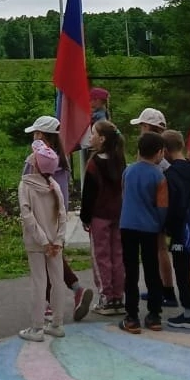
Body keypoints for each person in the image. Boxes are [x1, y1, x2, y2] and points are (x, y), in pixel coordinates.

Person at [24, 115, 92, 322]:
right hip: (55, 215)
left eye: (36, 133)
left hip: (38, 215)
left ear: (45, 137)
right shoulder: (62, 163)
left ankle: (49, 303)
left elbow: (27, 186)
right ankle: (76, 289)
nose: (34, 137)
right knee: (52, 257)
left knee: (42, 261)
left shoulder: (34, 160)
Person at [119, 130, 168, 334]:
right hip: (149, 227)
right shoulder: (159, 175)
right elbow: (162, 206)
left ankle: (131, 316)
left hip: (127, 225)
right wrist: (161, 226)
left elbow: (123, 195)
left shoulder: (128, 171)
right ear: (159, 152)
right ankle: (154, 314)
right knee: (151, 269)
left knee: (130, 271)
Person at [18, 140, 67, 341]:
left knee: (39, 283)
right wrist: (57, 241)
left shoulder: (26, 185)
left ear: (35, 163)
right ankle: (57, 323)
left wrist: (43, 241)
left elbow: (27, 215)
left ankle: (37, 328)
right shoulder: (54, 185)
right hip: (55, 245)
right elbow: (63, 215)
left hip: (37, 244)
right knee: (57, 281)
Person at [131, 107, 177, 308]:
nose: (140, 129)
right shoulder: (163, 154)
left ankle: (166, 290)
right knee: (157, 250)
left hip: (154, 210)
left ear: (149, 127)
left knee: (159, 249)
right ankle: (158, 288)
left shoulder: (158, 159)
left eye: (142, 125)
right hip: (156, 208)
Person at [81, 120, 126, 314]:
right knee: (118, 255)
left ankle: (106, 298)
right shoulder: (120, 159)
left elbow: (89, 194)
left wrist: (85, 217)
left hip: (99, 215)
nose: (90, 137)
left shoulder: (94, 163)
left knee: (101, 257)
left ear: (102, 138)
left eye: (93, 133)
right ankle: (118, 297)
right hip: (118, 214)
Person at [161, 131, 190, 330]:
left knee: (182, 270)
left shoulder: (170, 175)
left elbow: (172, 203)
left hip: (180, 226)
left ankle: (188, 313)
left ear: (165, 151)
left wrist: (167, 225)